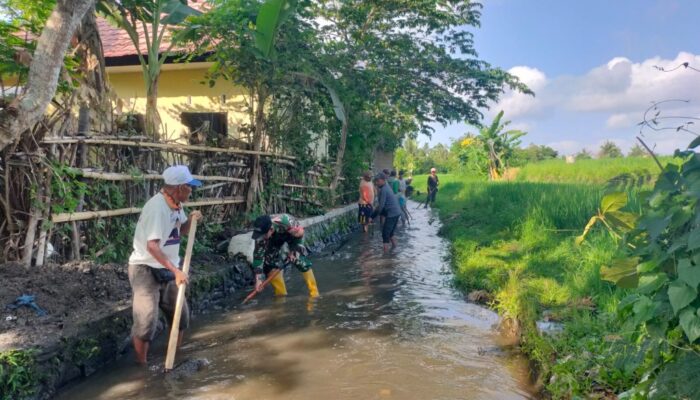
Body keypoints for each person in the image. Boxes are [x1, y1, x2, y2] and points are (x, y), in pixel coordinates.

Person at [128, 165, 203, 365]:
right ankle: (142, 369)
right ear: (178, 188)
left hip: (168, 267)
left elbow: (181, 230)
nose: (191, 191)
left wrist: (192, 221)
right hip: (146, 268)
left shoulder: (177, 205)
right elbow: (152, 246)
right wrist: (175, 270)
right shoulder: (157, 208)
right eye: (189, 187)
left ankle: (173, 356)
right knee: (146, 322)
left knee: (181, 316)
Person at [251, 214, 319, 298]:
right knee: (269, 264)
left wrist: (294, 250)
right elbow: (258, 257)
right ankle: (281, 296)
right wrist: (258, 279)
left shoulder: (286, 222)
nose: (260, 238)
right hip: (272, 241)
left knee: (300, 261)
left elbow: (300, 233)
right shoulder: (261, 236)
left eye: (262, 235)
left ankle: (314, 294)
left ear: (271, 230)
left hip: (292, 237)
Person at [371, 172, 402, 252]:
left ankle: (386, 257)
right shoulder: (386, 186)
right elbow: (382, 206)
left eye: (377, 181)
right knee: (390, 233)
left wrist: (372, 217)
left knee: (385, 234)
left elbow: (380, 207)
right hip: (397, 212)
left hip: (392, 213)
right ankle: (395, 249)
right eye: (375, 181)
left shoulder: (384, 189)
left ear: (383, 180)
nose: (376, 183)